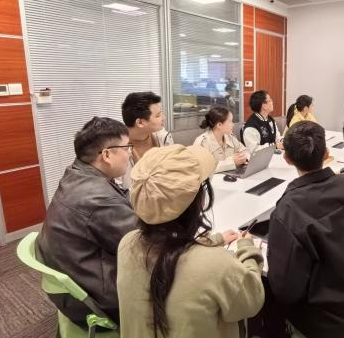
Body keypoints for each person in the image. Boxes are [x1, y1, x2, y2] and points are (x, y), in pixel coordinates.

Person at [117, 145, 265, 338]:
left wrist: (215, 240)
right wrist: (248, 249)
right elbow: (251, 301)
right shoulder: (216, 264)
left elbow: (173, 250)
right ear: (198, 200)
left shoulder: (127, 243)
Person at [267, 121, 344, 338]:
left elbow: (286, 291)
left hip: (325, 321)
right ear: (327, 153)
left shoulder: (289, 211)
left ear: (287, 158)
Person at [37, 117, 138, 326]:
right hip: (97, 303)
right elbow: (143, 245)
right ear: (107, 154)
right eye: (127, 147)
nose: (130, 153)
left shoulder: (75, 172)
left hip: (73, 287)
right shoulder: (99, 199)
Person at [121, 91, 173, 188]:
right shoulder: (118, 149)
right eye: (158, 115)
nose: (163, 118)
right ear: (140, 123)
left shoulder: (164, 138)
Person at [194, 106, 249, 173]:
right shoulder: (202, 142)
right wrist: (231, 162)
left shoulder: (230, 137)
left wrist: (244, 158)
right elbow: (202, 168)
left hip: (231, 176)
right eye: (230, 121)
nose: (233, 124)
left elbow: (244, 151)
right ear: (219, 125)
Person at [241, 90, 283, 154]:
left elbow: (277, 138)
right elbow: (254, 150)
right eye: (270, 100)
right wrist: (274, 146)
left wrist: (284, 141)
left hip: (273, 154)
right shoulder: (251, 126)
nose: (272, 102)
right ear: (263, 105)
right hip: (259, 157)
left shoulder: (270, 120)